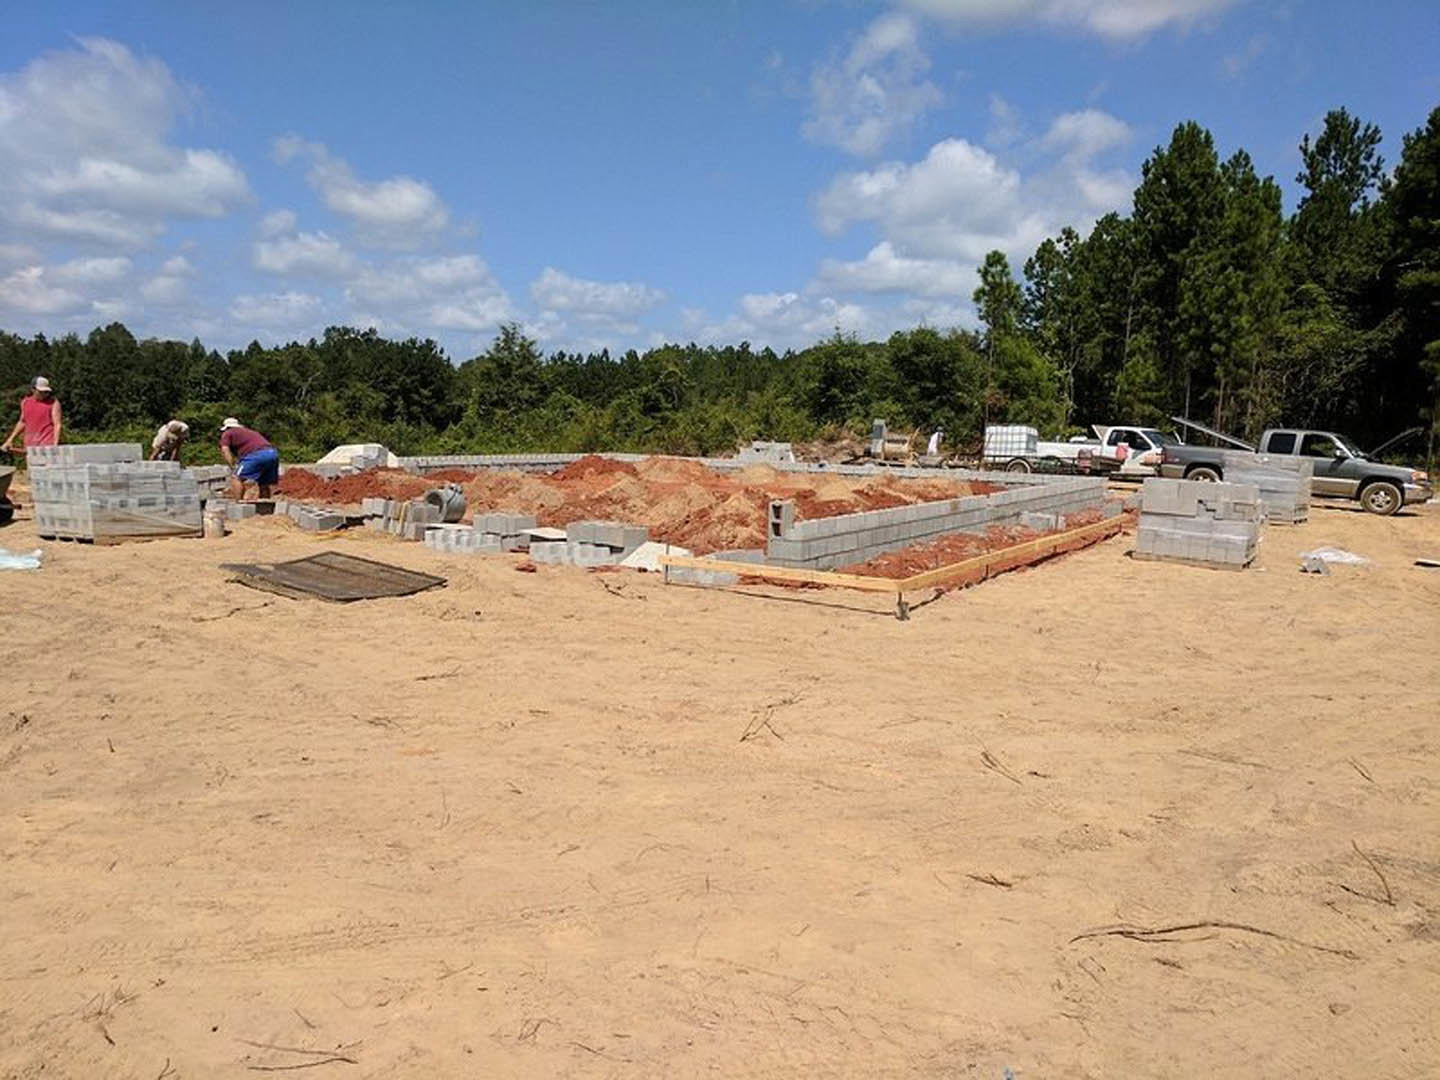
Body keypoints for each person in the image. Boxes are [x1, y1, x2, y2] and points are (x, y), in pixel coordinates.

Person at [218, 417, 280, 501]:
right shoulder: (250, 432)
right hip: (273, 453)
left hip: (257, 454)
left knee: (236, 478)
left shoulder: (228, 433)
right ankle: (266, 508)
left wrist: (232, 466)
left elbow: (225, 449)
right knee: (264, 483)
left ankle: (238, 506)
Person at [2, 376, 62, 453]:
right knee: (32, 465)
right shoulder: (25, 402)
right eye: (40, 391)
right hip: (30, 445)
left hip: (46, 444)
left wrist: (55, 444)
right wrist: (10, 440)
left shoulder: (54, 403)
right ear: (33, 389)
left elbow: (57, 424)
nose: (44, 394)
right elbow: (22, 422)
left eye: (46, 392)